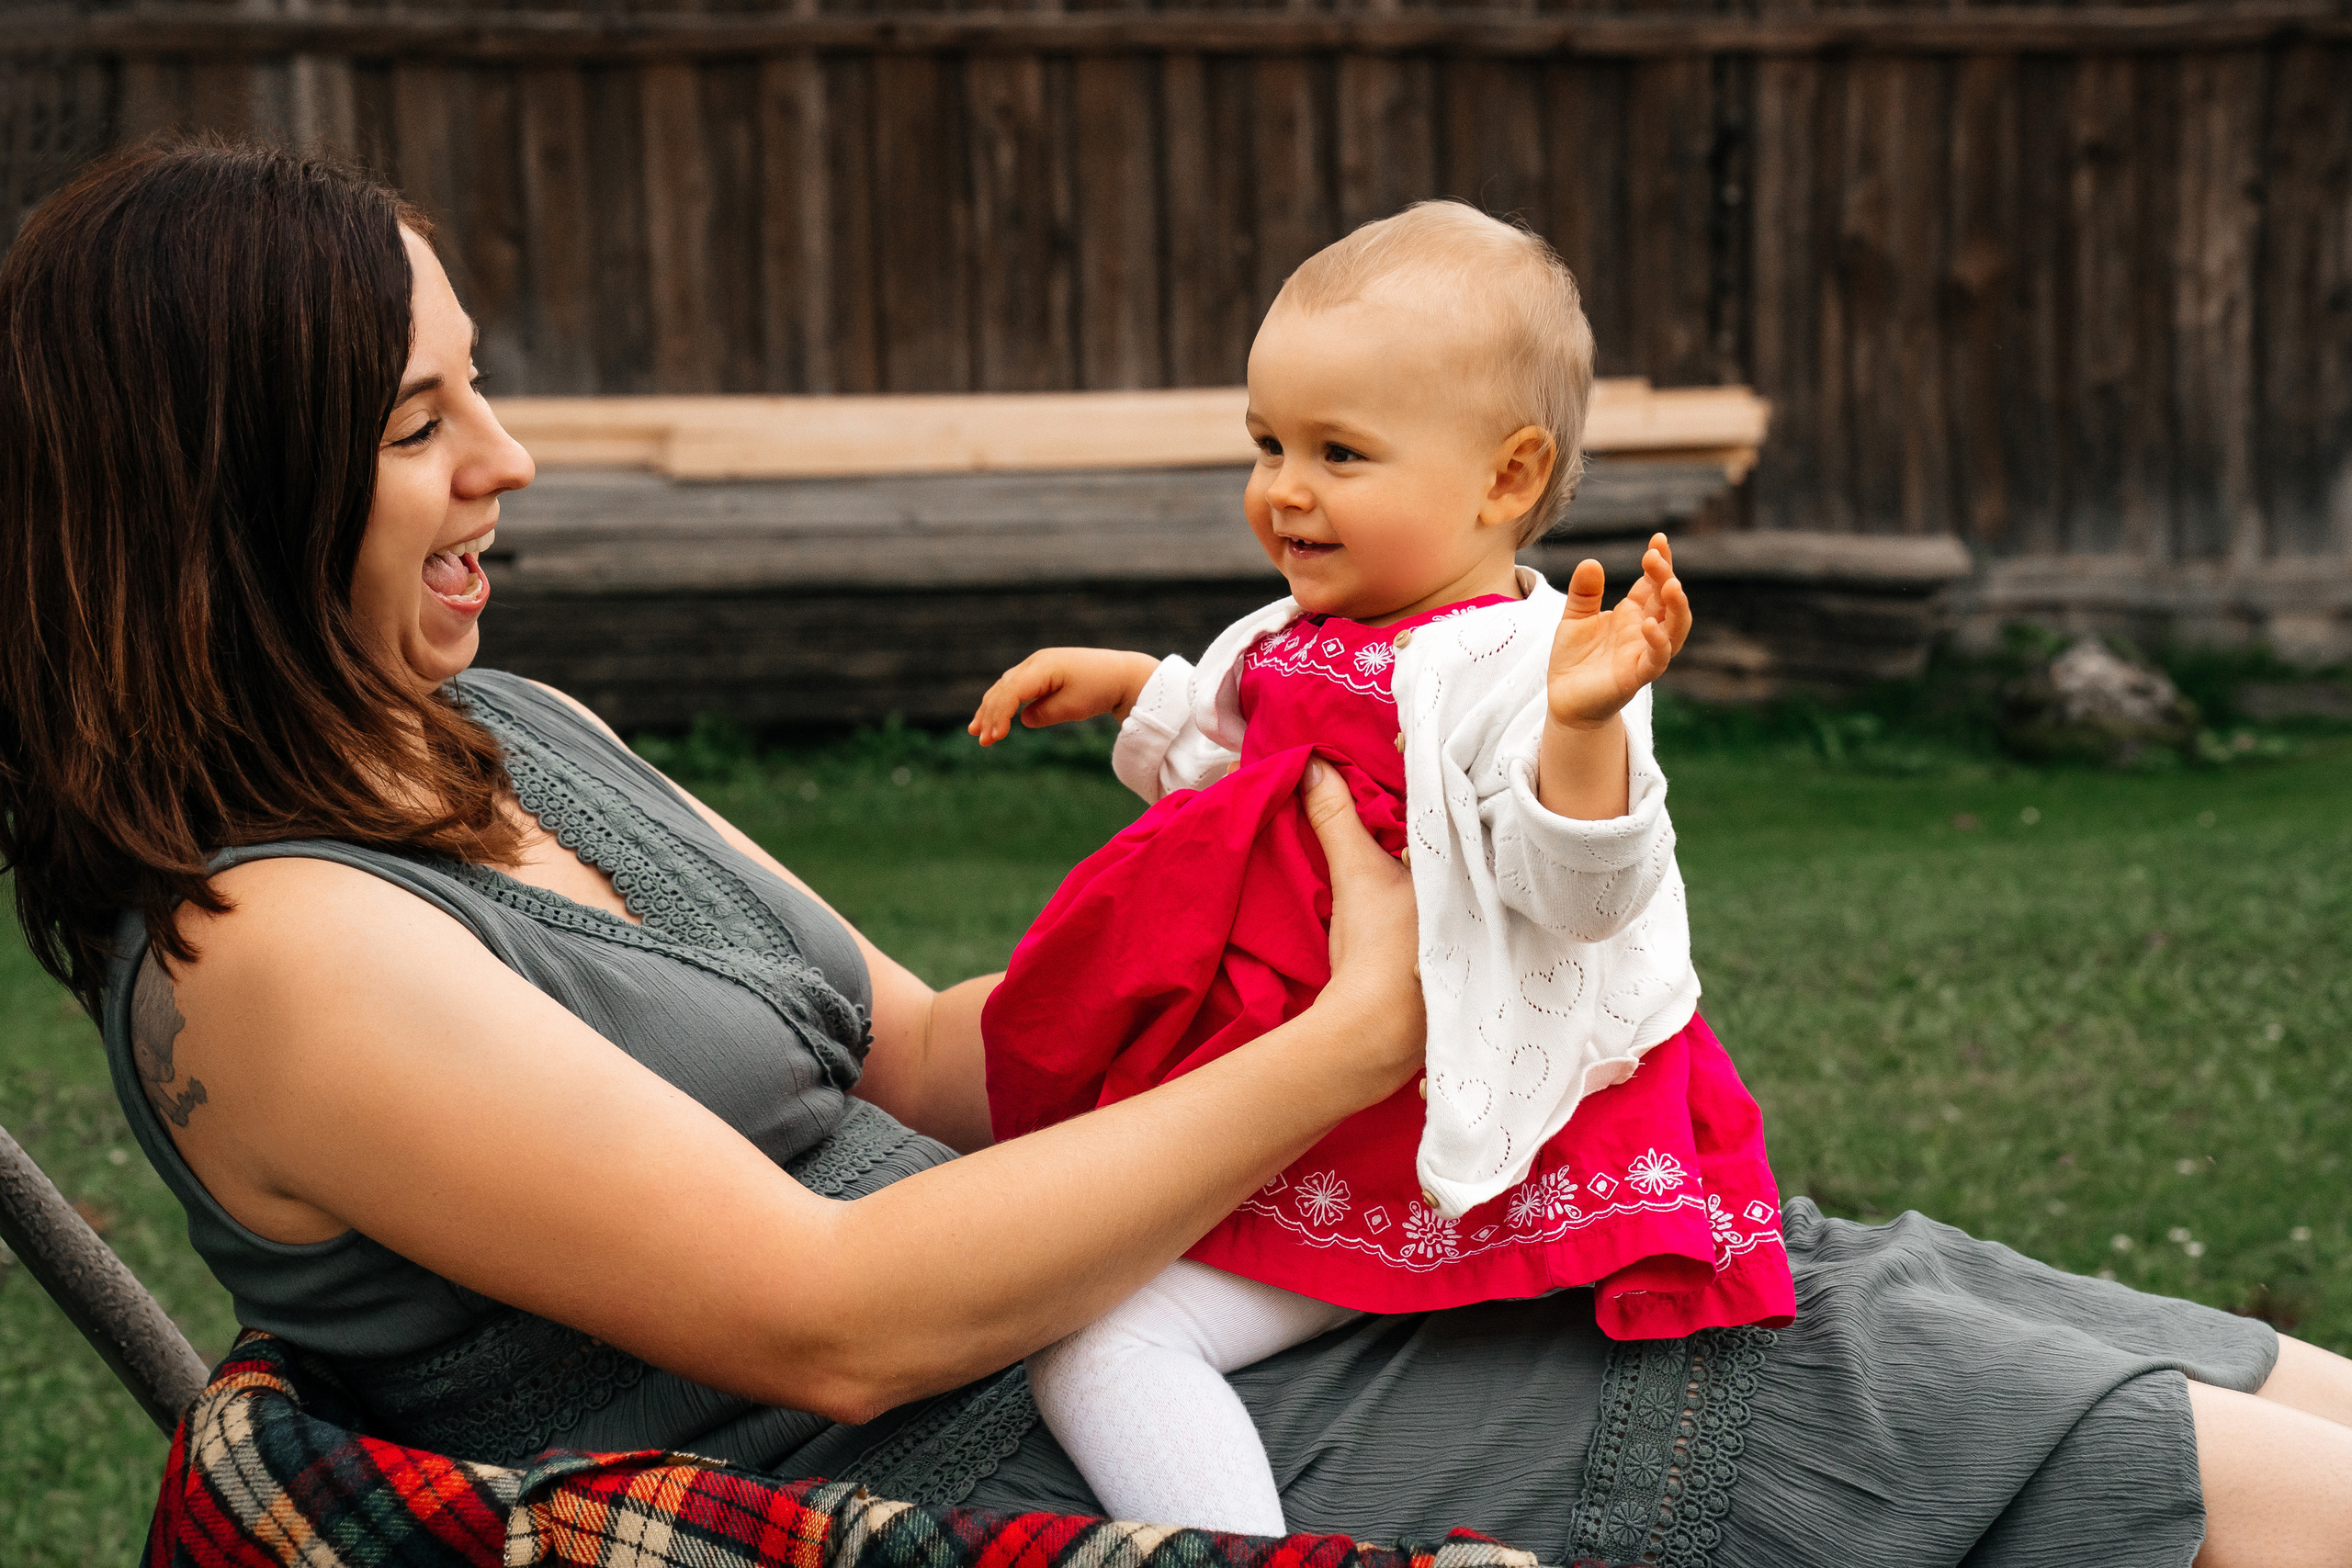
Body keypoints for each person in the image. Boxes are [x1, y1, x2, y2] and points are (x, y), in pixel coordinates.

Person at [3, 141, 2350, 1568]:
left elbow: (934, 1049)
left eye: (479, 381)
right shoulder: (271, 950)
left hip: (1222, 1284)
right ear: (220, 494)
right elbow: (837, 1317)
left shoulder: (515, 727)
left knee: (2005, 1324)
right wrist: (1349, 1038)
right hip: (1049, 1449)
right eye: (423, 421)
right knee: (2109, 1473)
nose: (510, 456)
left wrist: (1302, 861)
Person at [968, 204, 1792, 1535]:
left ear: (1507, 479)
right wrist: (1142, 689)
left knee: (1100, 1335)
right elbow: (1255, 800)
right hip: (1294, 1079)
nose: (1285, 488)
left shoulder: (1534, 669)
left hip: (1409, 1117)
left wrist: (1580, 731)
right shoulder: (1312, 631)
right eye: (1268, 444)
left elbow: (1577, 891)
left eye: (1339, 452)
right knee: (1065, 1266)